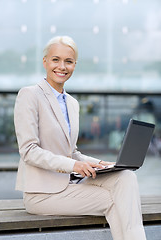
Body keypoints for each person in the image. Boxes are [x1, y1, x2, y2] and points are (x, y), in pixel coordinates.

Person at [14, 36, 147, 240]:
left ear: (75, 65)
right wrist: (74, 166)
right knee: (115, 200)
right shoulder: (29, 95)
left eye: (69, 61)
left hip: (70, 185)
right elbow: (29, 151)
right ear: (45, 62)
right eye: (55, 60)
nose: (62, 66)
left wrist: (100, 164)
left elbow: (72, 152)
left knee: (126, 177)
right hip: (42, 194)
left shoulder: (72, 103)